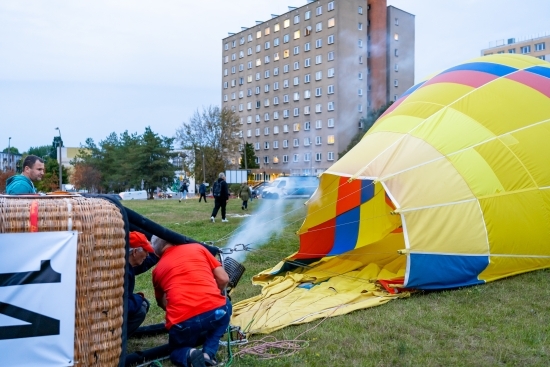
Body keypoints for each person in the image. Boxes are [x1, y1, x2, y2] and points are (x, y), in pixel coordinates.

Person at [151, 236, 231, 367]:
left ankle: (190, 353)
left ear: (156, 253)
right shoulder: (198, 248)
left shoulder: (157, 271)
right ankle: (208, 353)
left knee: (176, 352)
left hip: (183, 322)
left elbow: (161, 302)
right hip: (215, 310)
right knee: (226, 306)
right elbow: (223, 279)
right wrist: (215, 294)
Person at [127, 231, 159, 336]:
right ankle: (115, 340)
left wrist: (160, 252)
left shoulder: (126, 263)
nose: (147, 254)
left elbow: (145, 263)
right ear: (135, 251)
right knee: (141, 308)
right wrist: (139, 299)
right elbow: (120, 305)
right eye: (146, 251)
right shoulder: (124, 272)